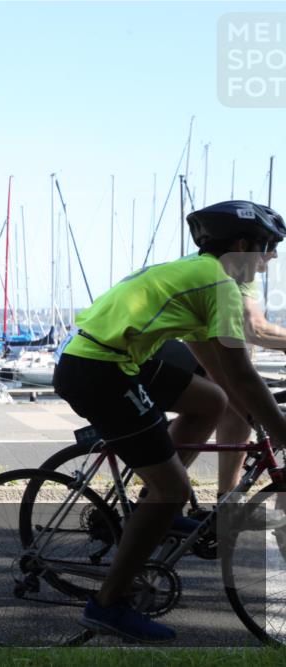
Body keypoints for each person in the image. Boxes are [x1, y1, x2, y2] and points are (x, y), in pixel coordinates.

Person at [52, 200, 286, 642]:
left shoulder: (199, 275)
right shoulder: (217, 284)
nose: (270, 257)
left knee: (210, 401)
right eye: (267, 247)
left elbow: (217, 369)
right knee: (174, 490)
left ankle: (151, 507)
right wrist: (278, 428)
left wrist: (250, 412)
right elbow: (242, 370)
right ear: (241, 245)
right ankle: (109, 604)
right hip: (100, 370)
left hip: (108, 357)